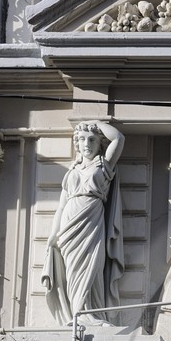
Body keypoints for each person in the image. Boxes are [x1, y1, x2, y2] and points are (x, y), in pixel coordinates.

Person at [42, 117, 125, 323]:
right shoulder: (71, 171)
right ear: (76, 144)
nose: (86, 144)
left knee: (93, 265)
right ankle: (76, 313)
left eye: (92, 140)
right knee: (72, 269)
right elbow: (62, 205)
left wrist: (96, 122)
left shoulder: (104, 165)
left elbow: (118, 138)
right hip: (69, 219)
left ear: (99, 144)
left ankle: (90, 313)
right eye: (82, 139)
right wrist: (54, 233)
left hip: (92, 217)